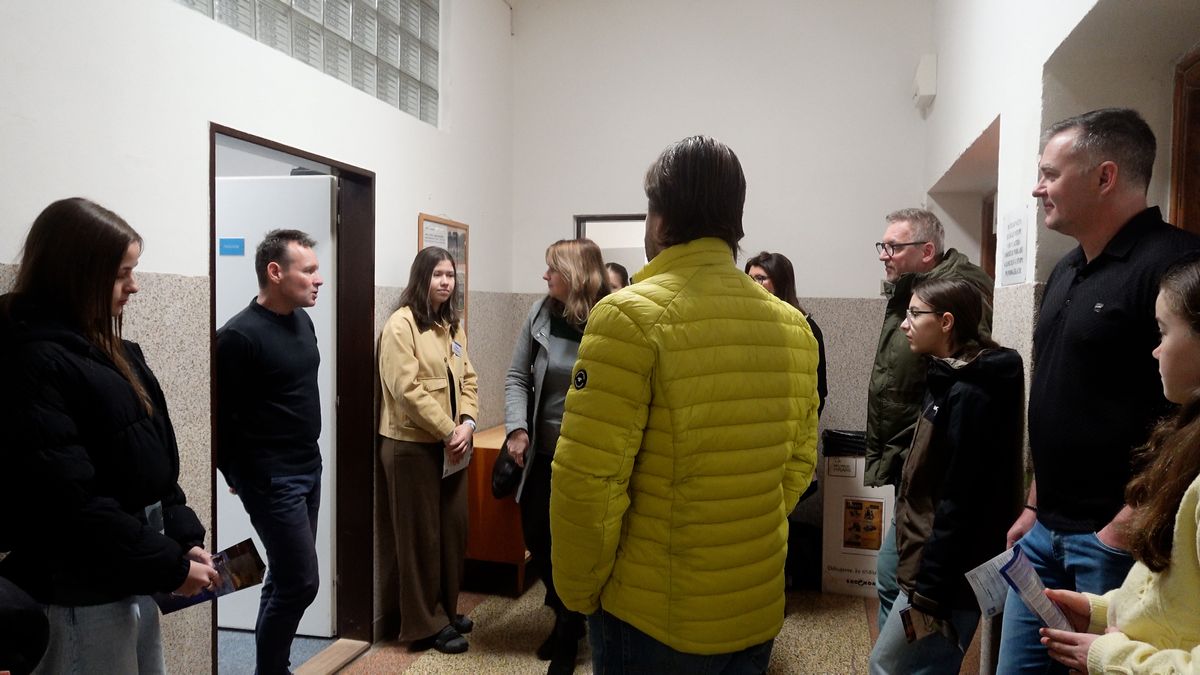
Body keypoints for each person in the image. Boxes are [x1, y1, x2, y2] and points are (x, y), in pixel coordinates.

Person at [550, 135, 820, 672]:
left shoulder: (628, 317)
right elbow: (797, 464)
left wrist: (580, 591)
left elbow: (588, 479)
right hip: (754, 604)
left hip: (651, 615)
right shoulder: (794, 328)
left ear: (660, 218)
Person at [998, 108, 1200, 673]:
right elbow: (1062, 394)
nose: (1037, 188)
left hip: (1115, 540)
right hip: (1044, 532)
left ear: (1105, 177)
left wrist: (1124, 523)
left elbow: (1184, 414)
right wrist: (1035, 502)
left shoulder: (1175, 266)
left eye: (1050, 174)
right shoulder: (1066, 270)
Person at [0, 198, 218, 673]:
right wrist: (167, 565)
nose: (134, 286)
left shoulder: (115, 350)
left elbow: (156, 467)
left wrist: (182, 537)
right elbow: (70, 502)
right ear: (76, 274)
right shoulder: (32, 362)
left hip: (131, 574)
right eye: (122, 274)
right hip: (79, 593)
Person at [1039, 254, 1200, 673]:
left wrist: (1109, 656)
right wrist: (1102, 611)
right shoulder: (1188, 438)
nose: (1155, 349)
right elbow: (1175, 599)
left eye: (1163, 331)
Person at [868, 278, 1023, 674]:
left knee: (887, 667)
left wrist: (930, 591)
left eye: (915, 314)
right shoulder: (949, 376)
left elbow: (960, 500)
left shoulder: (971, 393)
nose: (904, 324)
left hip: (943, 579)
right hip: (929, 566)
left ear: (946, 322)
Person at [865, 207, 993, 629]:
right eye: (883, 245)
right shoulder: (913, 289)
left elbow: (965, 375)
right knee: (893, 575)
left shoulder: (956, 291)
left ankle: (900, 655)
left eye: (893, 246)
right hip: (910, 452)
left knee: (903, 577)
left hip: (932, 456)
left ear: (926, 251)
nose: (883, 254)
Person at [216, 229, 325, 674]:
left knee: (283, 575)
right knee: (301, 582)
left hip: (309, 467)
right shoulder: (237, 336)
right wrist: (236, 474)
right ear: (275, 272)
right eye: (309, 270)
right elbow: (218, 418)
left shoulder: (302, 321)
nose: (319, 279)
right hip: (271, 477)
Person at [504, 238, 610, 674]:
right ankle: (567, 613)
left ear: (574, 274)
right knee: (537, 536)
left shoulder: (611, 316)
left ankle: (568, 626)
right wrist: (517, 429)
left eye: (552, 269)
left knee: (579, 543)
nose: (545, 276)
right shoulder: (540, 314)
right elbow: (517, 376)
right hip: (544, 453)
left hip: (589, 456)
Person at [378, 246, 479, 655]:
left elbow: (469, 379)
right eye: (438, 274)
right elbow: (406, 390)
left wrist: (468, 423)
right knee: (420, 538)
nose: (445, 282)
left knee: (452, 531)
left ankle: (446, 610)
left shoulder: (451, 326)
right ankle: (423, 625)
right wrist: (448, 431)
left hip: (452, 445)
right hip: (411, 447)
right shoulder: (401, 325)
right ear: (421, 278)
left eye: (450, 275)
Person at [745, 250, 828, 414]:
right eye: (749, 279)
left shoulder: (807, 328)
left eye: (760, 278)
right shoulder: (744, 324)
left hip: (790, 419)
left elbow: (819, 390)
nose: (753, 285)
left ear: (780, 282)